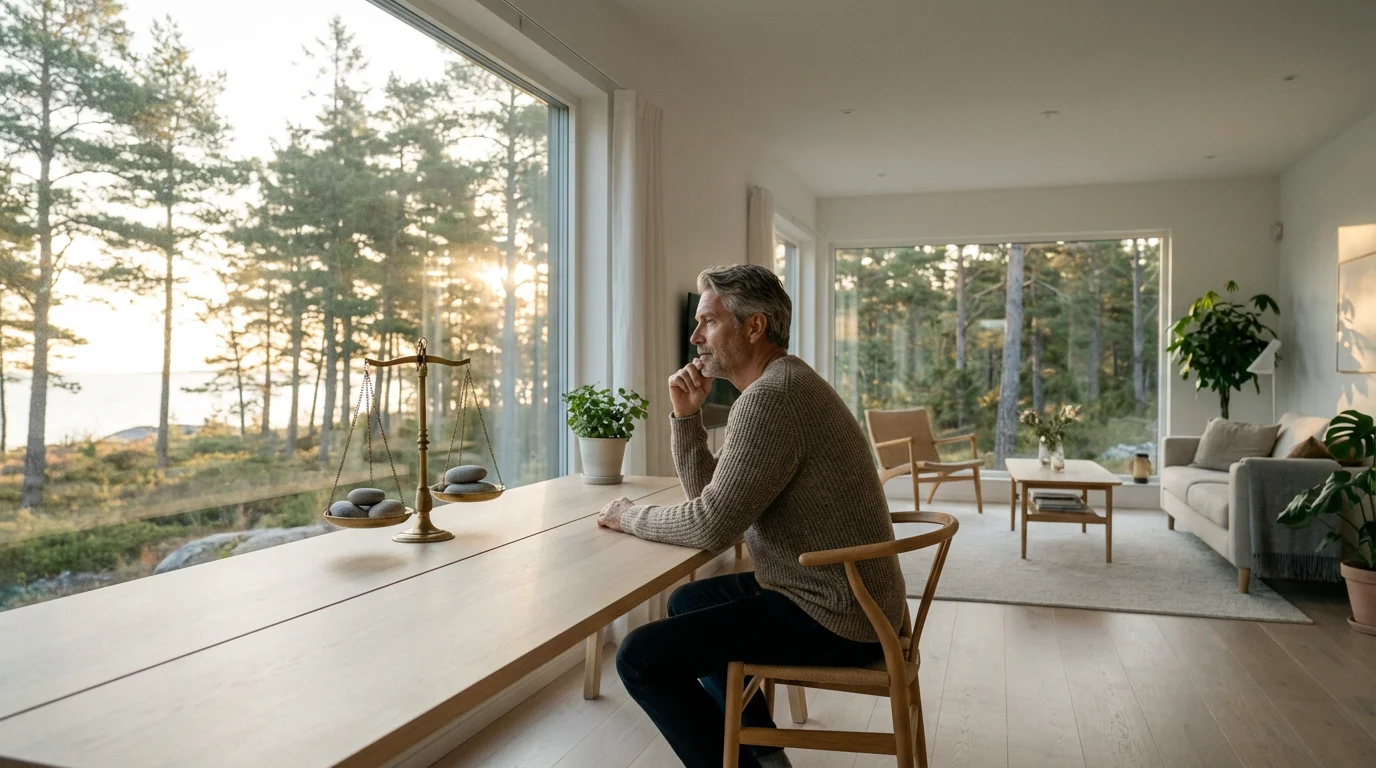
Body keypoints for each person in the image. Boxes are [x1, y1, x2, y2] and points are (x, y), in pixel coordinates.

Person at [596, 264, 906, 768]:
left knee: (639, 657)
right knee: (689, 601)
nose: (694, 336)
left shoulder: (773, 398)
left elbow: (710, 526)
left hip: (837, 615)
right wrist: (687, 418)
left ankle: (745, 760)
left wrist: (629, 514)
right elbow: (718, 502)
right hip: (842, 595)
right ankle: (761, 750)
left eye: (708, 322)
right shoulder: (783, 384)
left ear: (754, 326)